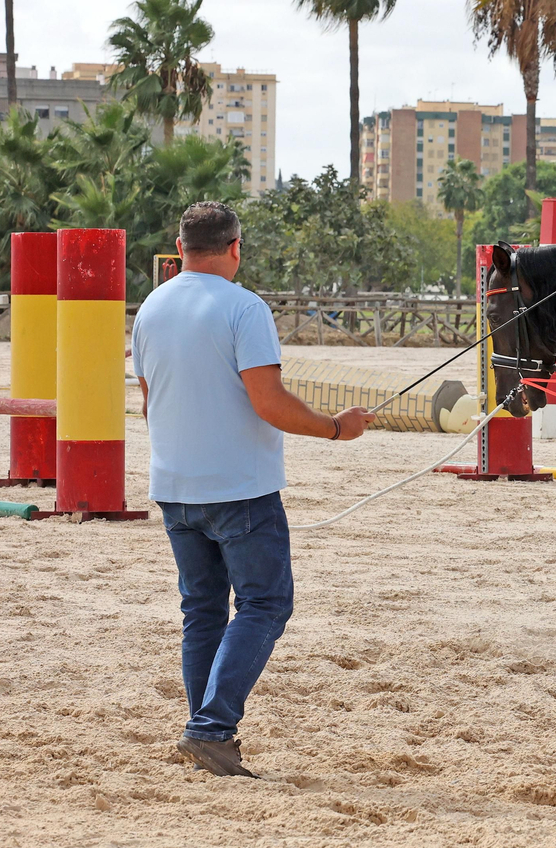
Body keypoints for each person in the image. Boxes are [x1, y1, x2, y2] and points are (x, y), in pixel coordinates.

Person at [133, 201, 375, 777]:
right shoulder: (245, 308)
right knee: (266, 603)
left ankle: (205, 734)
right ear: (236, 247)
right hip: (239, 487)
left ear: (180, 245)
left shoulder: (150, 306)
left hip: (173, 484)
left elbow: (149, 402)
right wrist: (337, 428)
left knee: (203, 610)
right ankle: (211, 728)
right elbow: (268, 402)